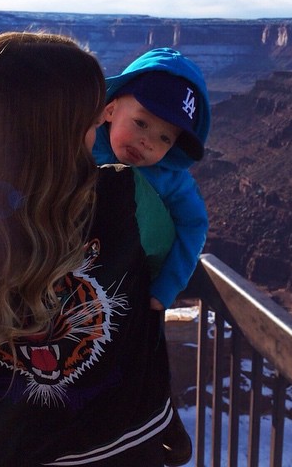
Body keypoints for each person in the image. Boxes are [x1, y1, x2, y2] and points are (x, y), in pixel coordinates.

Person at [0, 32, 178, 467]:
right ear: (64, 133)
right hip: (122, 443)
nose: (99, 132)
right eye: (91, 122)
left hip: (6, 448)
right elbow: (159, 255)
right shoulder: (127, 195)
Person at [93, 46, 211, 465]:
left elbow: (194, 226)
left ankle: (159, 416)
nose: (147, 141)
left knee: (145, 354)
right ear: (110, 109)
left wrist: (165, 288)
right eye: (141, 123)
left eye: (164, 138)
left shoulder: (171, 179)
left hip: (137, 290)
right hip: (79, 284)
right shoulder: (80, 146)